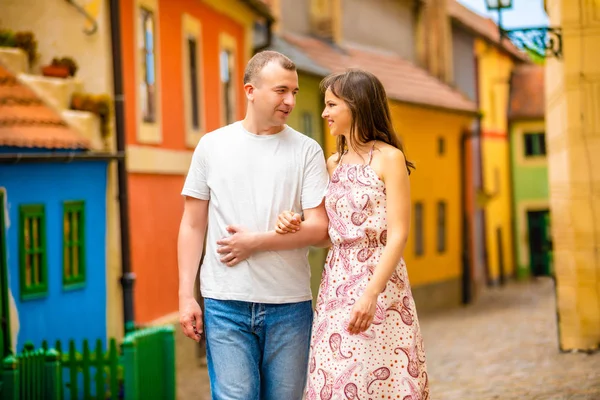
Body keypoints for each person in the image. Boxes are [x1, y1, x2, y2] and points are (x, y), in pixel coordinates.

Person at [177, 50, 329, 400]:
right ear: (250, 90)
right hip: (224, 303)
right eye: (280, 90)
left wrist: (256, 242)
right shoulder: (211, 146)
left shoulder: (307, 151)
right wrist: (187, 295)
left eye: (294, 92)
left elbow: (320, 230)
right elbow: (192, 225)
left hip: (289, 306)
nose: (290, 100)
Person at [275, 69, 429, 399]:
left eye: (331, 105)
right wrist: (294, 223)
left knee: (379, 379)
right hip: (336, 285)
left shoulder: (390, 158)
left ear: (355, 105)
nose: (324, 113)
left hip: (381, 286)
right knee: (333, 381)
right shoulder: (333, 164)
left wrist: (371, 294)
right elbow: (329, 232)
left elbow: (399, 234)